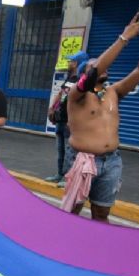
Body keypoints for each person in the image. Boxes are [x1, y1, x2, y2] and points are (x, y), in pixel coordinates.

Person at [62, 14, 139, 222]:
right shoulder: (76, 95)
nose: (103, 66)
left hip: (111, 161)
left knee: (102, 213)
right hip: (82, 160)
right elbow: (95, 71)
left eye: (104, 64)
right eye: (96, 65)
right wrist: (124, 37)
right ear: (83, 75)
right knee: (72, 213)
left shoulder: (114, 92)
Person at [46, 51, 88, 187]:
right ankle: (59, 174)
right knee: (61, 150)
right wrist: (52, 107)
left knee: (70, 152)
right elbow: (61, 93)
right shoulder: (70, 78)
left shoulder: (82, 81)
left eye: (71, 61)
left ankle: (68, 178)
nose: (69, 63)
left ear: (77, 63)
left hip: (72, 122)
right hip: (61, 120)